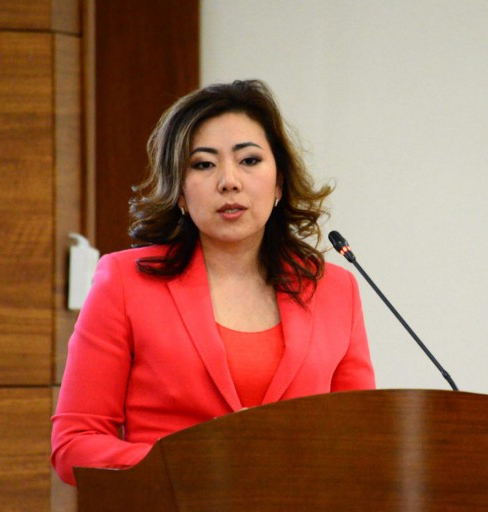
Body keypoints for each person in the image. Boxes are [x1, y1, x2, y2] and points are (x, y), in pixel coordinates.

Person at [51, 80, 375, 486]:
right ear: (180, 192)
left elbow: (362, 442)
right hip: (173, 510)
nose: (229, 181)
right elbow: (74, 446)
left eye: (249, 160)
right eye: (203, 164)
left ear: (279, 182)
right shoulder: (124, 282)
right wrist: (205, 462)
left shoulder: (335, 290)